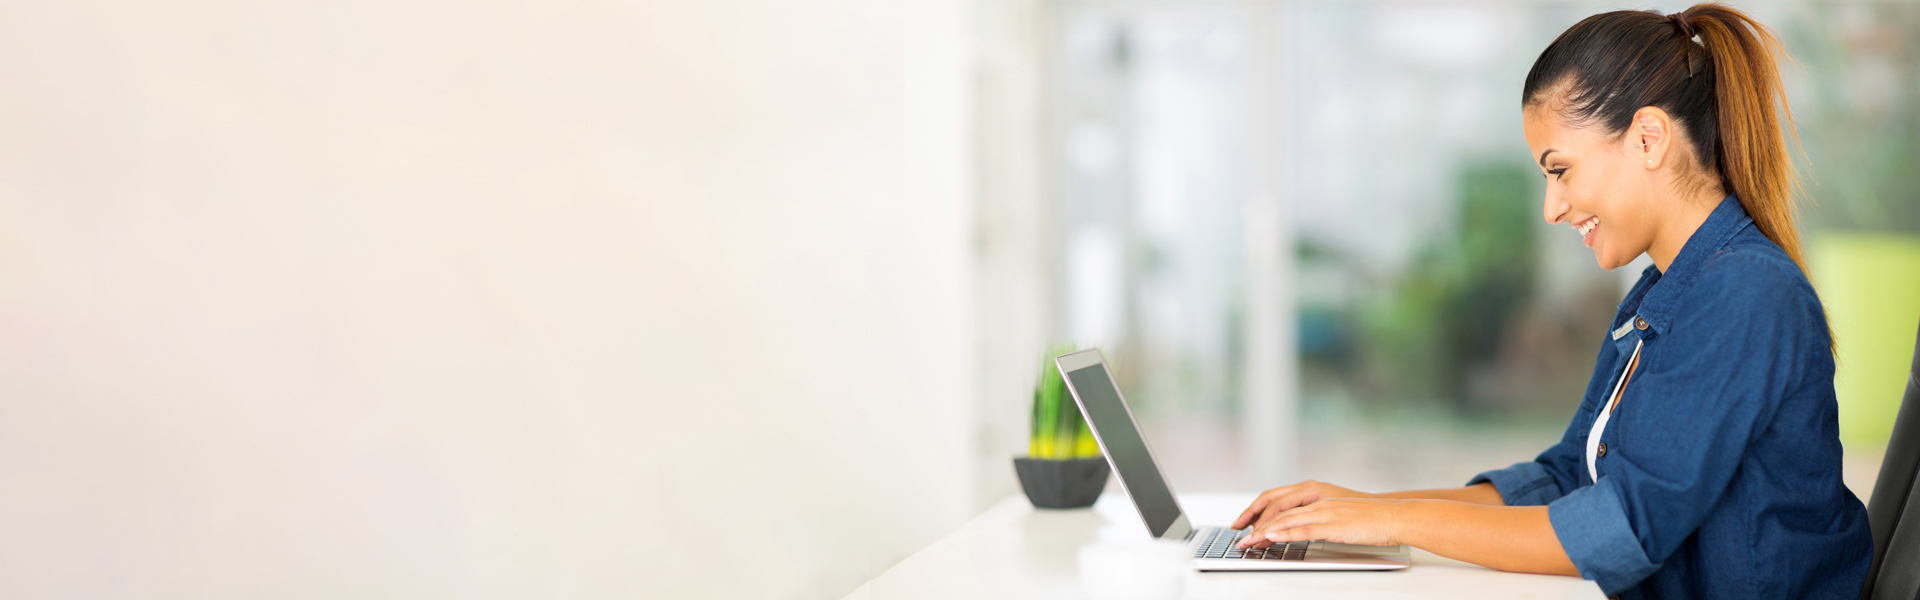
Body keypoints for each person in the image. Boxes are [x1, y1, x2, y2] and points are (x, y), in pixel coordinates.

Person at [1229, 4, 1873, 598]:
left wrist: (1394, 519)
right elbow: (1569, 478)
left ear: (1649, 139)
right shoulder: (1662, 294)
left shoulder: (1745, 293)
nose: (1552, 207)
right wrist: (1364, 510)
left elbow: (1622, 524)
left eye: (1559, 169)